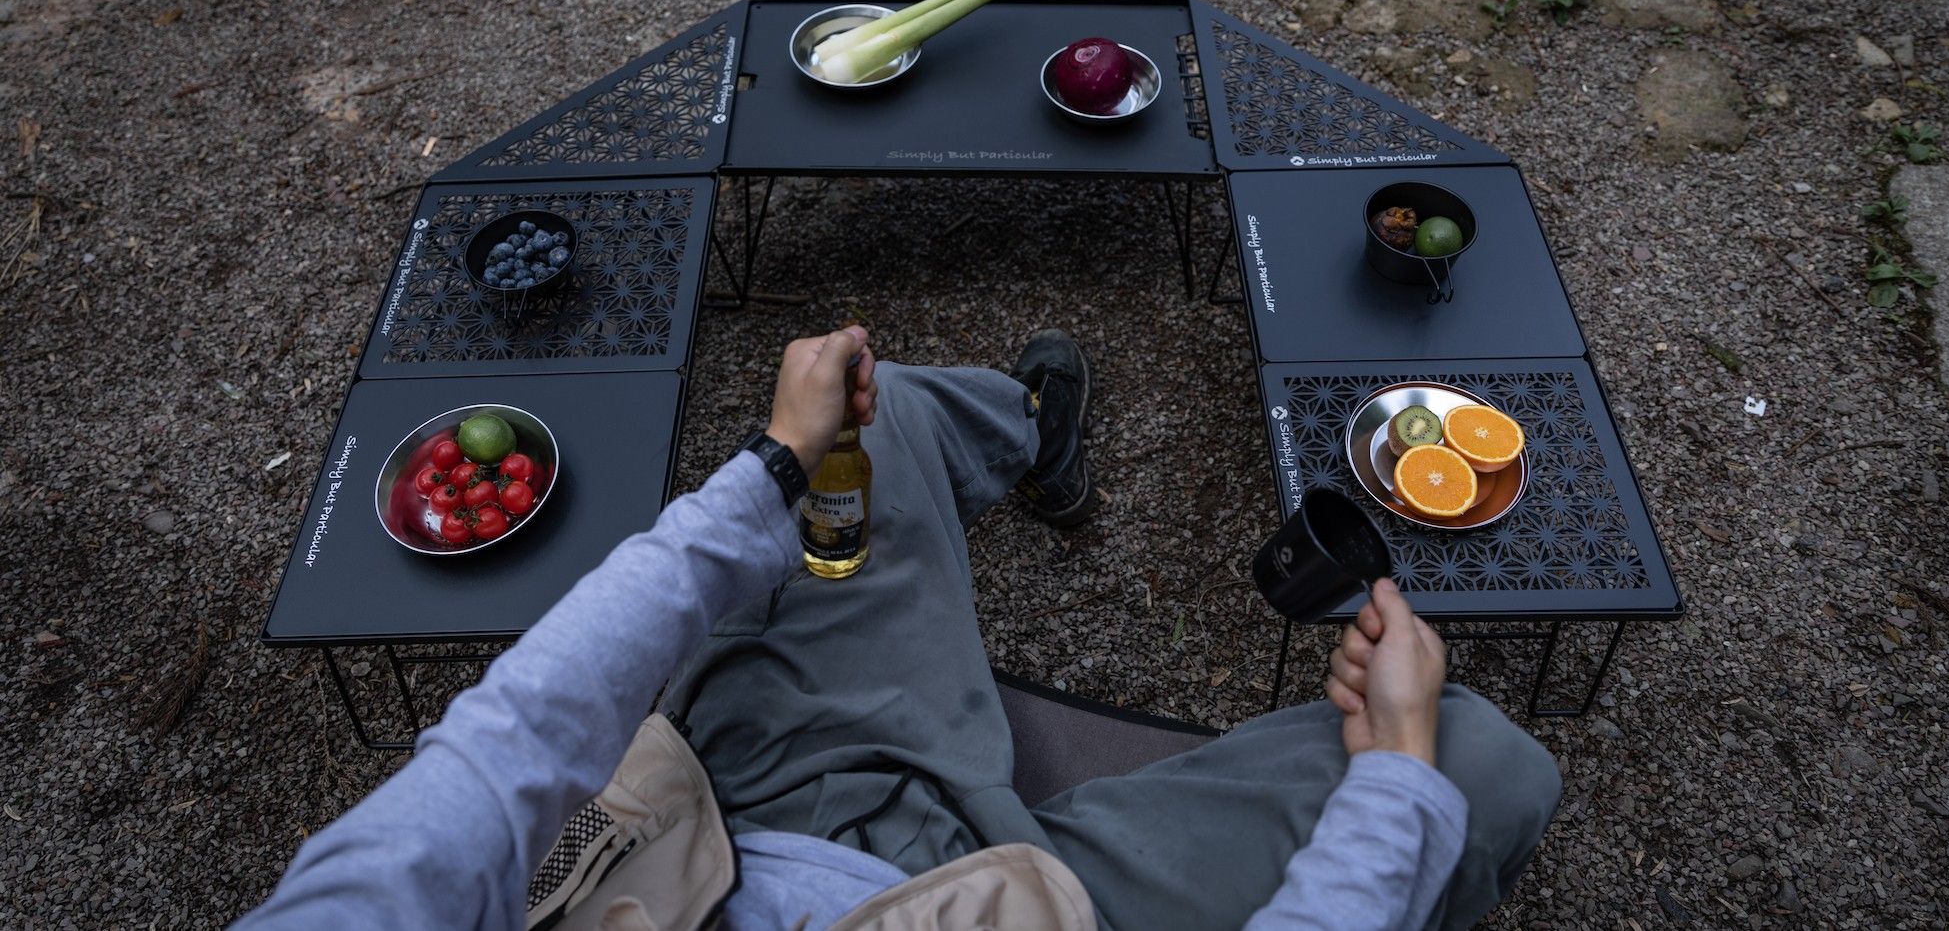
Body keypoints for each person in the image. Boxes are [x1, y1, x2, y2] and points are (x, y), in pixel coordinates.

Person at [240, 327, 1560, 931]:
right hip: (1032, 907)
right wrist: (1394, 769)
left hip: (723, 824)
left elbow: (510, 746)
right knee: (1478, 765)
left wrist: (770, 466)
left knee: (875, 428)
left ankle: (1036, 441)